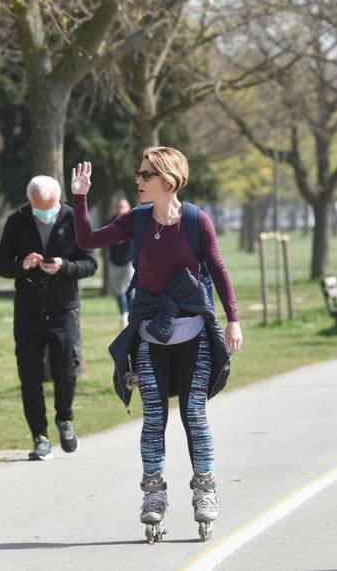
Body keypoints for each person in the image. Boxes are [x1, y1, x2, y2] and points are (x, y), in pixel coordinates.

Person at [71, 146, 243, 543]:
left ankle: (205, 491)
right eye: (139, 173)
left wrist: (233, 318)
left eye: (144, 174)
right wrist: (80, 196)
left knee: (194, 415)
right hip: (151, 332)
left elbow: (217, 267)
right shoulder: (136, 219)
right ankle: (153, 496)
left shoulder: (197, 220)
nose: (138, 179)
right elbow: (87, 238)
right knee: (154, 418)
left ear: (167, 180)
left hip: (194, 333)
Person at [0, 175, 98, 460]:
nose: (45, 212)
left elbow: (90, 264)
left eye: (50, 207)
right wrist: (23, 266)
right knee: (29, 376)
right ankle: (39, 436)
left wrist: (65, 267)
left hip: (64, 309)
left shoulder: (74, 218)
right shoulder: (16, 221)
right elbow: (2, 265)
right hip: (28, 311)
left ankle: (64, 418)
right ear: (30, 202)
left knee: (66, 371)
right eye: (39, 208)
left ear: (59, 198)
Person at [107, 198, 135, 326]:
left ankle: (128, 314)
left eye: (122, 207)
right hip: (114, 261)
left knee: (128, 288)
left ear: (128, 207)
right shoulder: (110, 222)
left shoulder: (133, 221)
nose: (120, 209)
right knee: (118, 291)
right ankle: (123, 313)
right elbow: (104, 239)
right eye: (118, 207)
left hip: (130, 261)